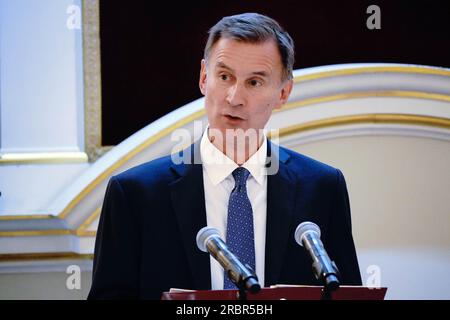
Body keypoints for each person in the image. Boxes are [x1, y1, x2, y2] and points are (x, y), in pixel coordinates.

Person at [88, 12, 362, 300]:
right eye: (224, 76)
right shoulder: (134, 195)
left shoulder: (322, 187)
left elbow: (349, 294)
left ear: (284, 93)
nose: (234, 97)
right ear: (204, 78)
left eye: (254, 82)